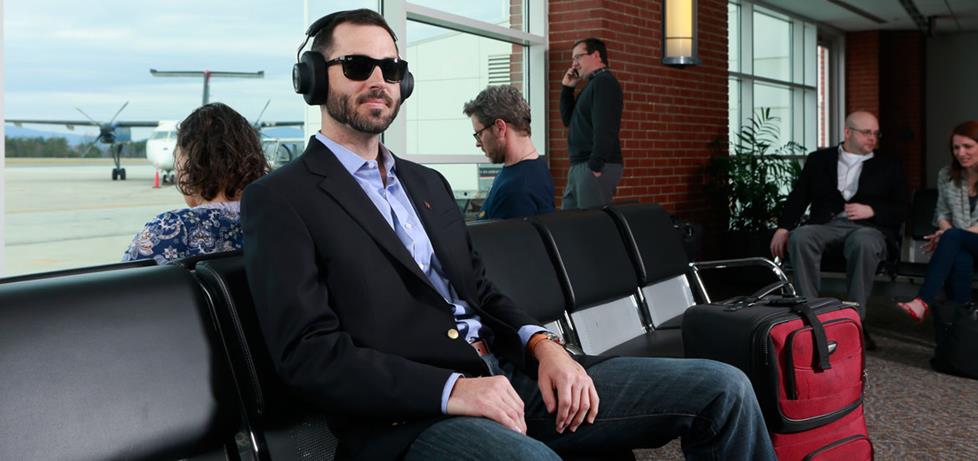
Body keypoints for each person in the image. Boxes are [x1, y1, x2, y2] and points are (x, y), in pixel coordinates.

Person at [242, 9, 774, 461]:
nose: (377, 79)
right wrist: (456, 389)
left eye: (391, 67)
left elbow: (480, 288)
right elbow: (309, 355)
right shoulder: (282, 199)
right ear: (314, 77)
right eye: (357, 66)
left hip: (512, 376)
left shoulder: (426, 183)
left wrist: (545, 346)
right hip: (412, 420)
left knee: (723, 389)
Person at [770, 111, 909, 325]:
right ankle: (810, 314)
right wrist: (783, 227)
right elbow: (799, 196)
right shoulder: (819, 160)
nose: (872, 138)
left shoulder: (889, 164)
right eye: (866, 133)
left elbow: (903, 208)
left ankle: (854, 319)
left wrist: (872, 210)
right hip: (826, 225)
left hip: (868, 228)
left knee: (863, 242)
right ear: (847, 132)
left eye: (875, 133)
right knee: (801, 237)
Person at [123, 102, 269, 264]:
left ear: (188, 163)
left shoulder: (169, 229)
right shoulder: (275, 221)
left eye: (177, 156)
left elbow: (124, 283)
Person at [897, 121, 978, 321]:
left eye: (968, 146)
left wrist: (949, 235)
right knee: (960, 259)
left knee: (953, 240)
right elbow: (941, 214)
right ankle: (962, 324)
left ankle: (922, 301)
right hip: (962, 244)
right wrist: (949, 234)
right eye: (956, 147)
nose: (961, 153)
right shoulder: (946, 175)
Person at [462, 85, 554, 220]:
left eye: (479, 134)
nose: (477, 143)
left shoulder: (517, 190)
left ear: (500, 128)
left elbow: (500, 240)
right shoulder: (532, 168)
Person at [559, 37, 623, 210]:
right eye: (573, 59)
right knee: (569, 225)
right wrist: (568, 88)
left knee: (592, 229)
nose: (574, 64)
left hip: (593, 165)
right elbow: (568, 120)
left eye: (578, 57)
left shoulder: (604, 83)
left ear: (596, 55)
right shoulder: (592, 85)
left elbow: (607, 127)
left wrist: (596, 164)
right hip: (580, 166)